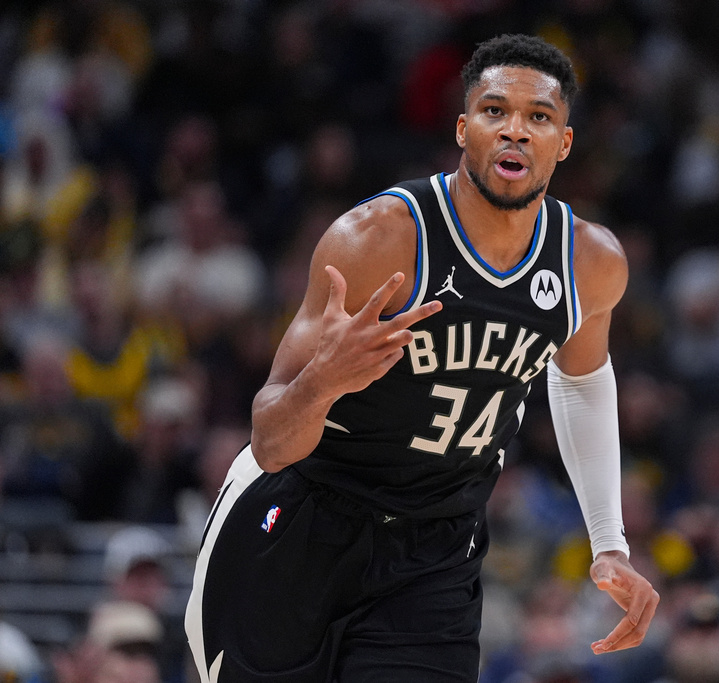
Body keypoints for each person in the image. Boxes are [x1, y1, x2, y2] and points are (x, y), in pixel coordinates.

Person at [185, 33, 659, 682]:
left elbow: (580, 383)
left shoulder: (590, 261)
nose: (515, 131)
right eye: (495, 111)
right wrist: (324, 382)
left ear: (564, 143)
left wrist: (609, 541)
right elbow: (269, 439)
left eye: (538, 117)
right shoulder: (378, 239)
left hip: (434, 548)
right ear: (464, 130)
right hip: (303, 515)